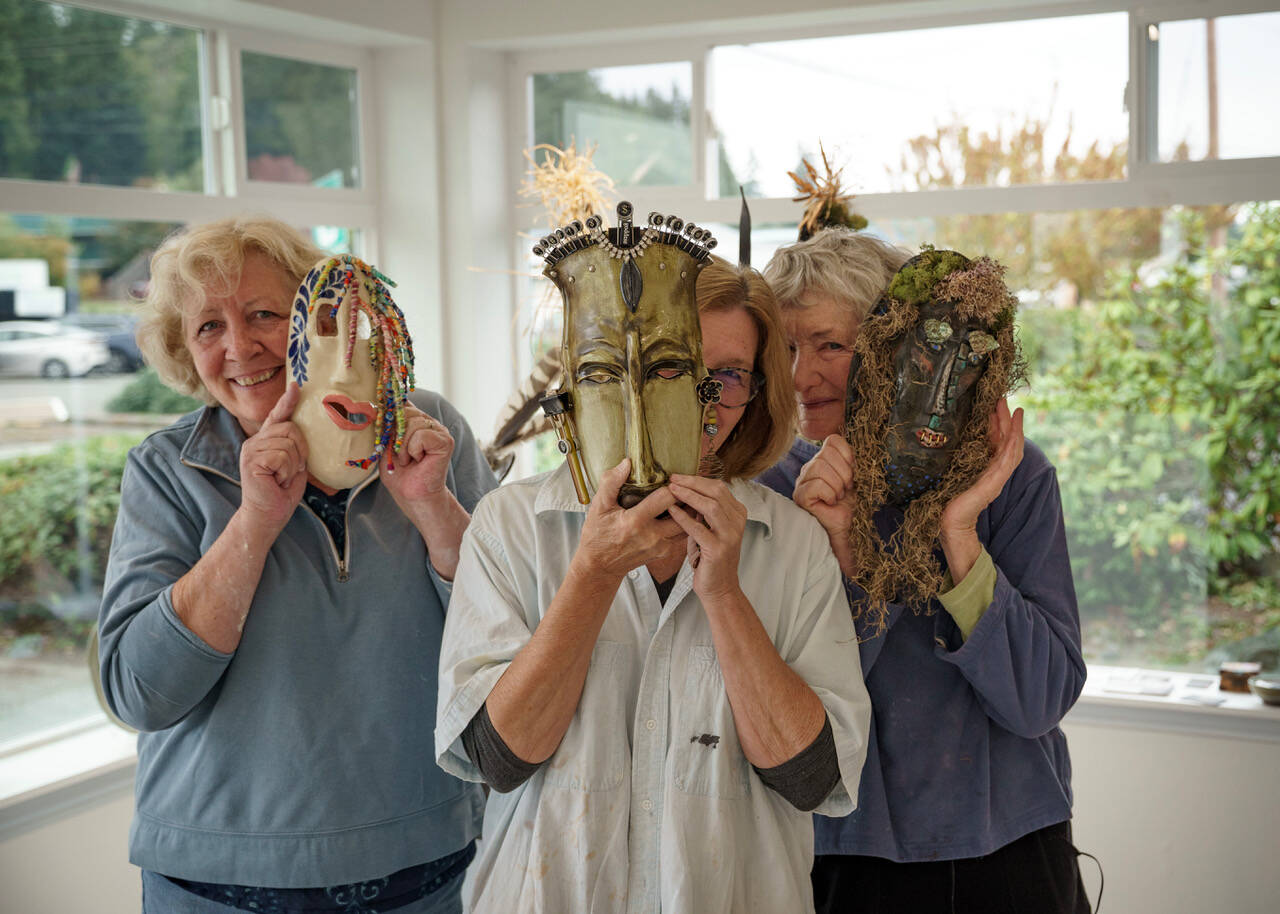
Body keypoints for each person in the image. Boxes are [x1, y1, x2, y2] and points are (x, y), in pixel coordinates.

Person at [436, 222, 871, 914]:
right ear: (614, 369)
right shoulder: (515, 528)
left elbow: (810, 778)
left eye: (724, 377)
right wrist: (592, 574)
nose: (696, 404)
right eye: (671, 366)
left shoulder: (790, 543)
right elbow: (500, 760)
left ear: (757, 390)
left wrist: (725, 593)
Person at [97, 216, 494, 913]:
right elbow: (140, 693)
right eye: (207, 329)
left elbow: (511, 637)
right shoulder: (166, 470)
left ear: (323, 320)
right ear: (187, 353)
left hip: (423, 866)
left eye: (262, 315)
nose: (239, 347)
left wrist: (433, 508)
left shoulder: (430, 434)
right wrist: (255, 522)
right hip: (215, 882)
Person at [760, 228, 1090, 914]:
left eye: (829, 345)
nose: (799, 376)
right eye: (784, 349)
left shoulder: (1011, 476)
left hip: (1007, 849)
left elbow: (1039, 698)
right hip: (841, 855)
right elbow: (783, 709)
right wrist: (841, 555)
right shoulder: (773, 488)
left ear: (896, 348)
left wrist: (959, 534)